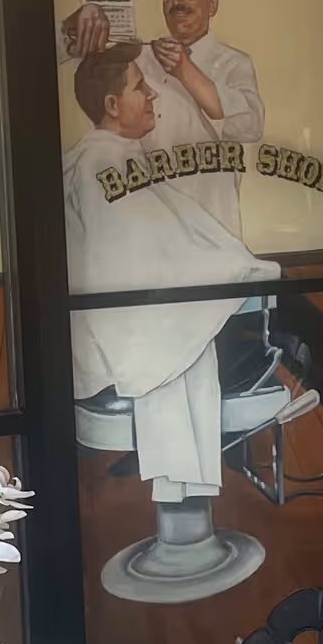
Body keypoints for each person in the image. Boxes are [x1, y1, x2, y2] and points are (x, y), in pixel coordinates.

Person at [62, 44, 278, 508]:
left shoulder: (97, 155)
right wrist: (239, 269)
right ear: (113, 106)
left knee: (258, 286)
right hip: (133, 337)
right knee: (274, 300)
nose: (154, 97)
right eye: (141, 89)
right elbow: (148, 262)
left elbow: (155, 249)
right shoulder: (108, 164)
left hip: (118, 326)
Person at [59, 0, 263, 235]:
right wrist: (74, 26)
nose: (176, 1)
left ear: (212, 3)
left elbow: (251, 127)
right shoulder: (137, 59)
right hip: (149, 229)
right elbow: (56, 59)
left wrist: (186, 70)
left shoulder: (233, 64)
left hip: (213, 229)